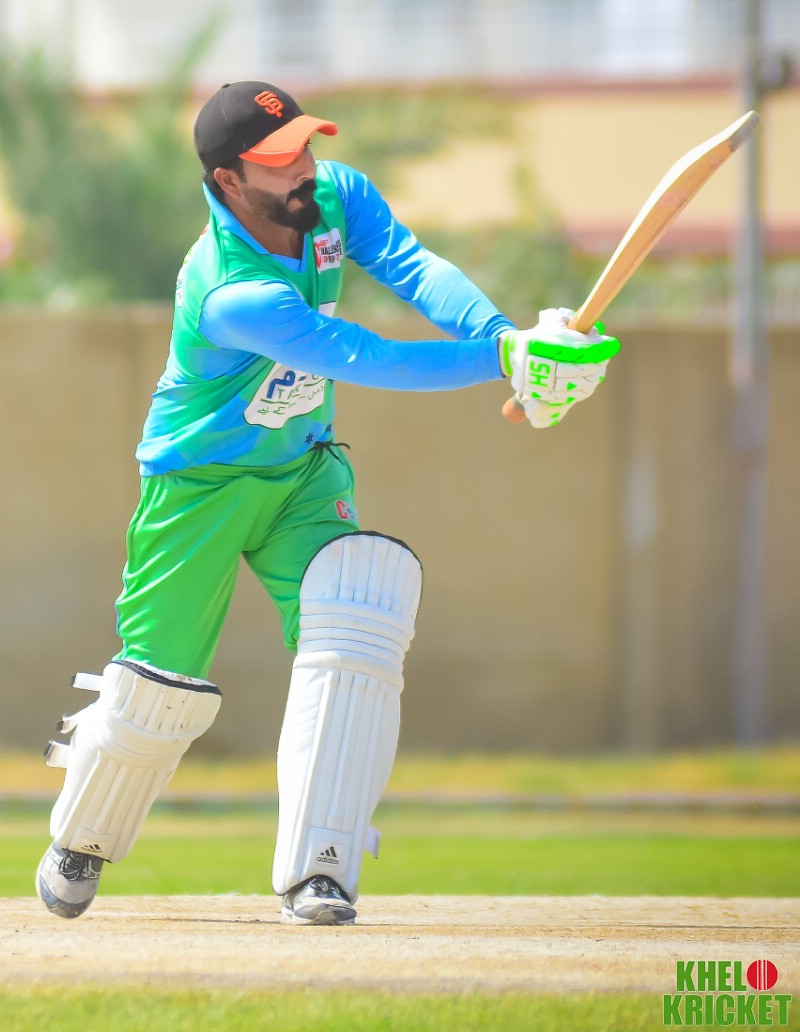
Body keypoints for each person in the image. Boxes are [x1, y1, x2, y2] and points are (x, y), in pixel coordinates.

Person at [35, 81, 619, 925]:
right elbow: (360, 354)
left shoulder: (335, 195)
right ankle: (84, 834)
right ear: (230, 180)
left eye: (306, 146)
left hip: (303, 469)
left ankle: (321, 871)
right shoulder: (231, 289)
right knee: (160, 687)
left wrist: (506, 338)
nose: (305, 168)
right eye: (281, 162)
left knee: (360, 614)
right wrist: (506, 361)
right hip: (197, 486)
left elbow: (415, 267)